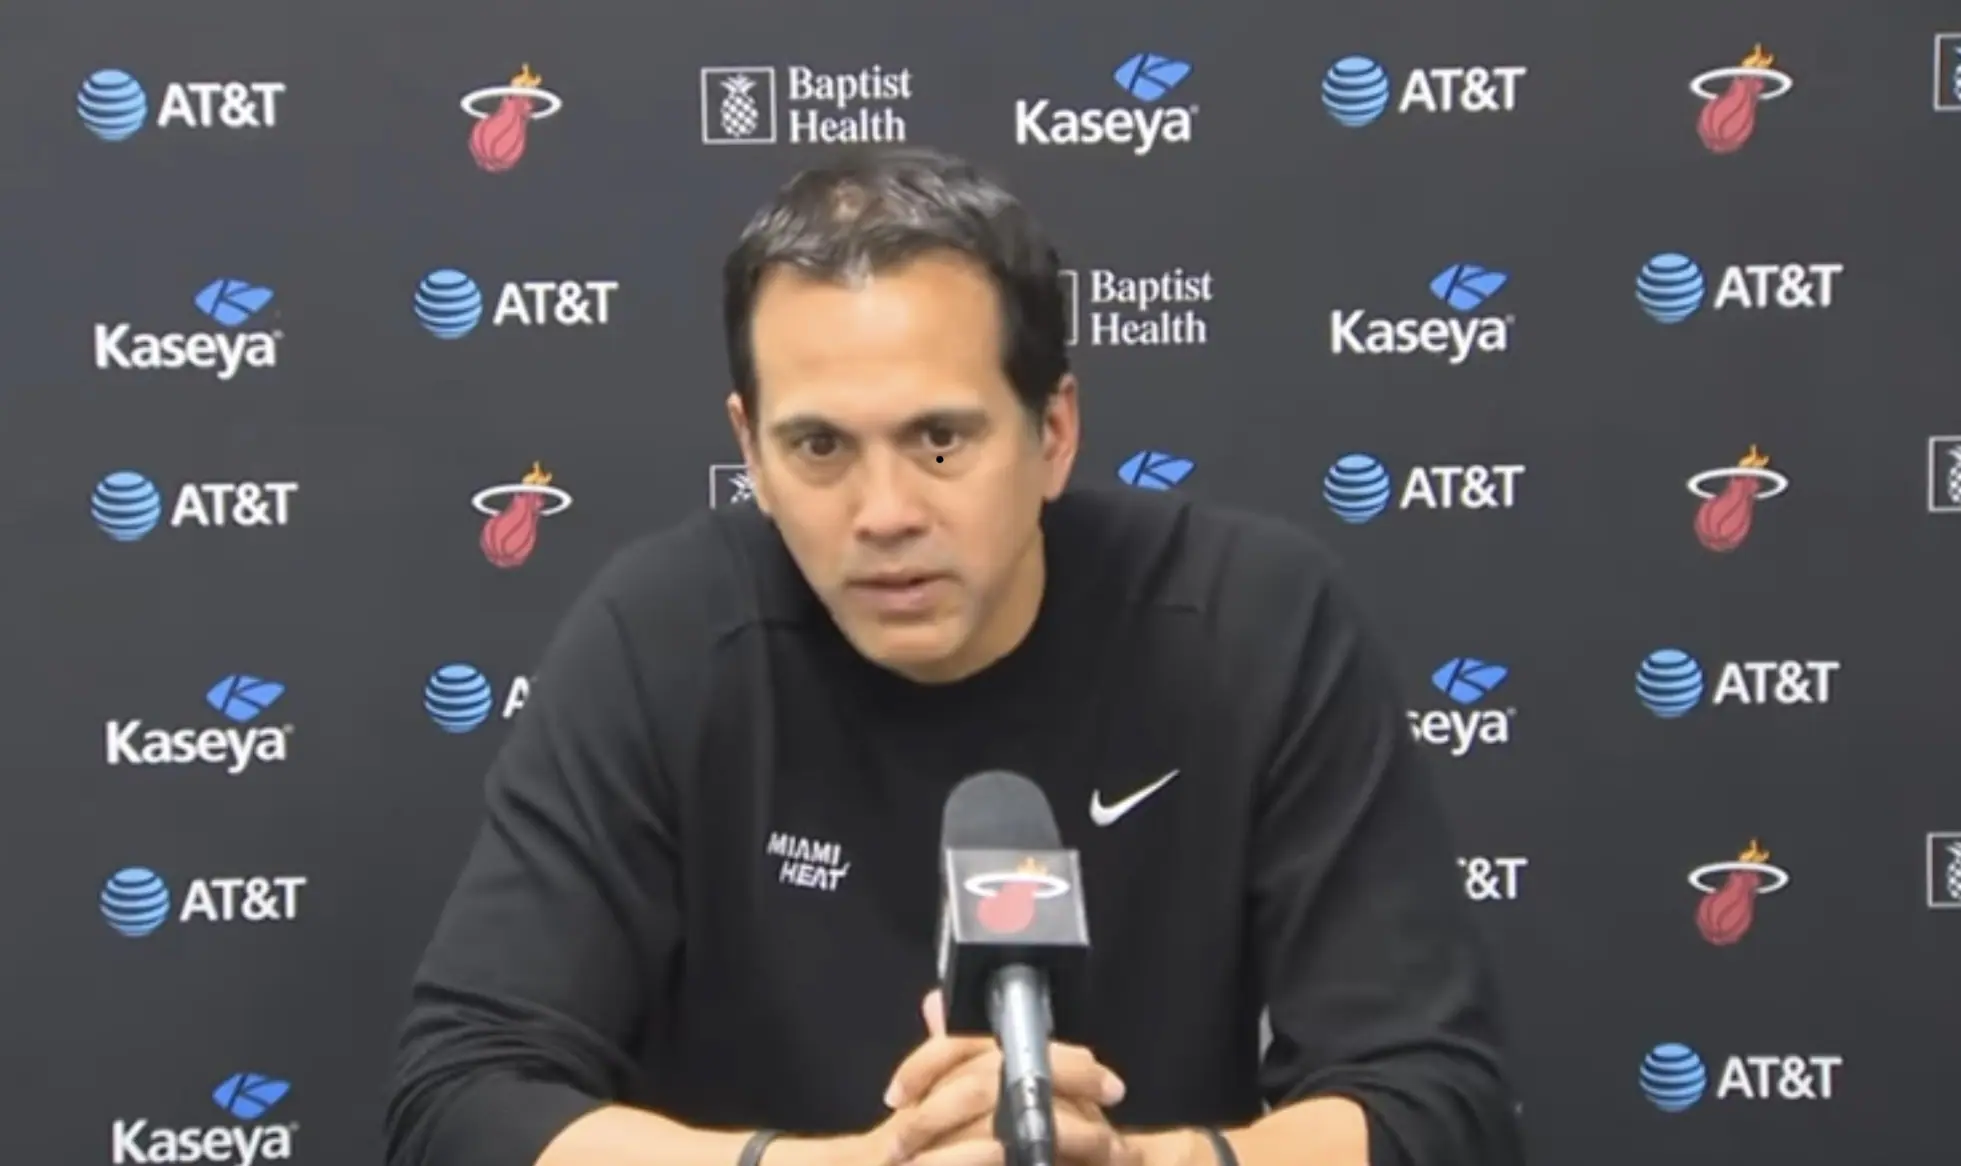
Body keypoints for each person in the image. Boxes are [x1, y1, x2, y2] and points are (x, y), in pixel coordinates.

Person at [383, 145, 1524, 1166]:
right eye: (818, 446)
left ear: (1053, 432)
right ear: (750, 451)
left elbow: (1438, 1108)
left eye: (940, 439)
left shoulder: (1251, 624)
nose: (884, 513)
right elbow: (461, 1103)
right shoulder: (664, 637)